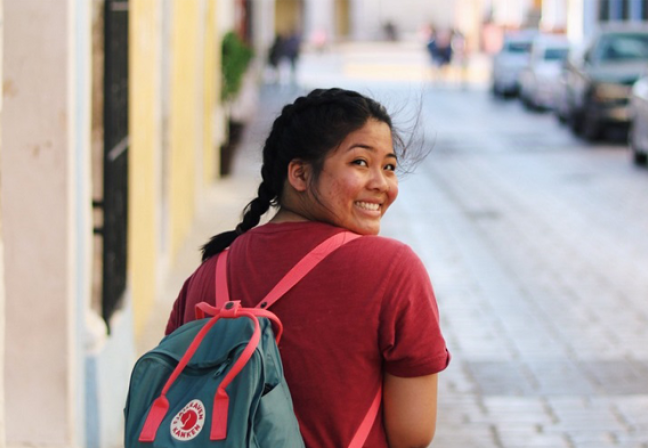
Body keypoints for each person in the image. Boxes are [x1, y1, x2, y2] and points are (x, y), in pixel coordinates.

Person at [165, 88, 451, 448]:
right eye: (360, 162)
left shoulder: (206, 275)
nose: (381, 184)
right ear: (299, 175)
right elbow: (413, 432)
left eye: (389, 167)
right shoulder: (394, 270)